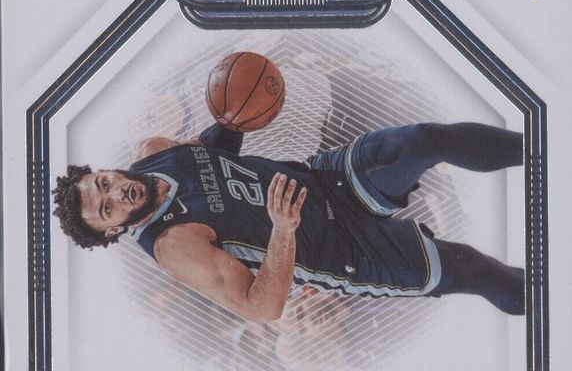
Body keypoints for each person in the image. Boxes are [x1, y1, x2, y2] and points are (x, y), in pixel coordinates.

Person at [53, 121, 525, 321]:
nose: (116, 194)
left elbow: (211, 158)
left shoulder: (154, 151)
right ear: (114, 229)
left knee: (424, 141)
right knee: (473, 268)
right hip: (339, 252)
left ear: (103, 171)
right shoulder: (173, 246)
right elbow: (261, 307)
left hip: (326, 182)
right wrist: (282, 230)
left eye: (103, 184)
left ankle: (544, 145)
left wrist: (233, 115)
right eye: (108, 209)